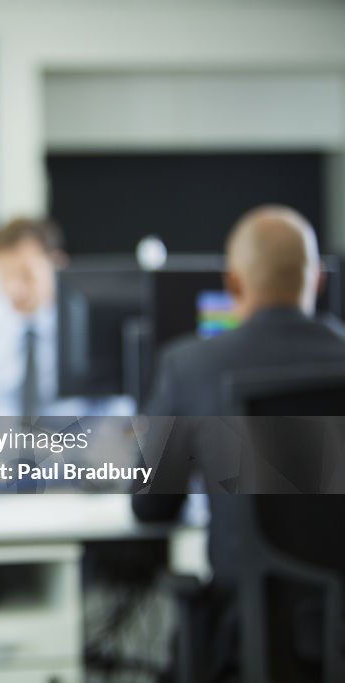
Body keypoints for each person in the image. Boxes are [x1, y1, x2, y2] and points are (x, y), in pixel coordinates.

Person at [134, 204, 345, 680]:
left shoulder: (188, 368)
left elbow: (151, 507)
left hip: (249, 638)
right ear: (318, 282)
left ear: (232, 285)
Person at [0, 217, 130, 416]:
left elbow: (117, 409)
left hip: (74, 441)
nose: (15, 289)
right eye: (5, 275)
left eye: (26, 275)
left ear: (56, 263)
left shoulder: (89, 322)